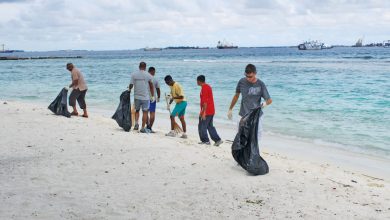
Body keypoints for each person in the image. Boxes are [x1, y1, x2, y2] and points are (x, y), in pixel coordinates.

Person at [227, 64, 272, 143]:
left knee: (256, 138)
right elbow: (236, 95)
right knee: (241, 137)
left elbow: (269, 100)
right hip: (243, 114)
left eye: (250, 76)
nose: (248, 78)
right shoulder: (241, 82)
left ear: (255, 73)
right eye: (246, 76)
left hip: (256, 116)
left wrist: (264, 104)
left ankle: (253, 153)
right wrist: (230, 109)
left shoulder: (260, 84)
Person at [197, 75, 223, 146]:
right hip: (211, 110)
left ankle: (206, 141)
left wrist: (203, 112)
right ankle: (217, 140)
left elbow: (205, 101)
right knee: (209, 126)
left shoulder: (205, 88)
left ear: (199, 81)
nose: (196, 82)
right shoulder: (207, 86)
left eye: (197, 81)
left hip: (207, 111)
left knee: (202, 126)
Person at [129, 62, 155, 133]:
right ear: (145, 67)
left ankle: (136, 124)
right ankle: (143, 128)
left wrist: (129, 90)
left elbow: (131, 84)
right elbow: (151, 86)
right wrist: (152, 96)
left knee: (137, 111)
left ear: (139, 66)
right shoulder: (148, 75)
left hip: (137, 96)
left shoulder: (134, 74)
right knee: (145, 112)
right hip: (145, 97)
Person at [147, 67, 161, 133]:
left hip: (145, 98)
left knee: (145, 112)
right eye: (154, 72)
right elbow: (158, 89)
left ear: (148, 71)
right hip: (153, 98)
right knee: (152, 113)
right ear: (152, 71)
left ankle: (147, 126)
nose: (154, 73)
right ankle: (150, 127)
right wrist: (159, 97)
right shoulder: (155, 79)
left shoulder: (145, 78)